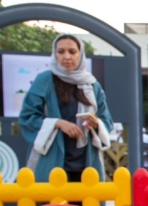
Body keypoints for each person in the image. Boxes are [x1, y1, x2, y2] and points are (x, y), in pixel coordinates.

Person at [19, 34, 114, 181]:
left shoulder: (92, 84)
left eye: (72, 51)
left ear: (80, 54)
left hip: (86, 163)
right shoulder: (44, 80)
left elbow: (106, 121)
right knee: (52, 203)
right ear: (54, 54)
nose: (67, 57)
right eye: (61, 51)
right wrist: (58, 123)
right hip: (51, 161)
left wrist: (96, 123)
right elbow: (27, 118)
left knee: (87, 203)